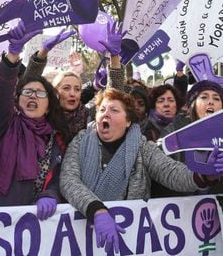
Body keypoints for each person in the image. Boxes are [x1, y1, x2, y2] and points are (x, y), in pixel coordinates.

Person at [60, 88, 223, 254]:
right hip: (84, 236)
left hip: (131, 238)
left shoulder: (141, 146)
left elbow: (171, 172)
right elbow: (68, 180)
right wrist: (97, 210)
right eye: (102, 109)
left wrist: (205, 175)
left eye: (114, 110)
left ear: (128, 121)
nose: (105, 114)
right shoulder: (81, 140)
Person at [0, 21, 69, 221]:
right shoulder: (3, 125)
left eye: (40, 93)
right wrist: (12, 55)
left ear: (49, 105)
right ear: (17, 99)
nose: (33, 96)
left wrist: (50, 195)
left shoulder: (55, 140)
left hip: (29, 228)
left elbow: (57, 179)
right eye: (27, 92)